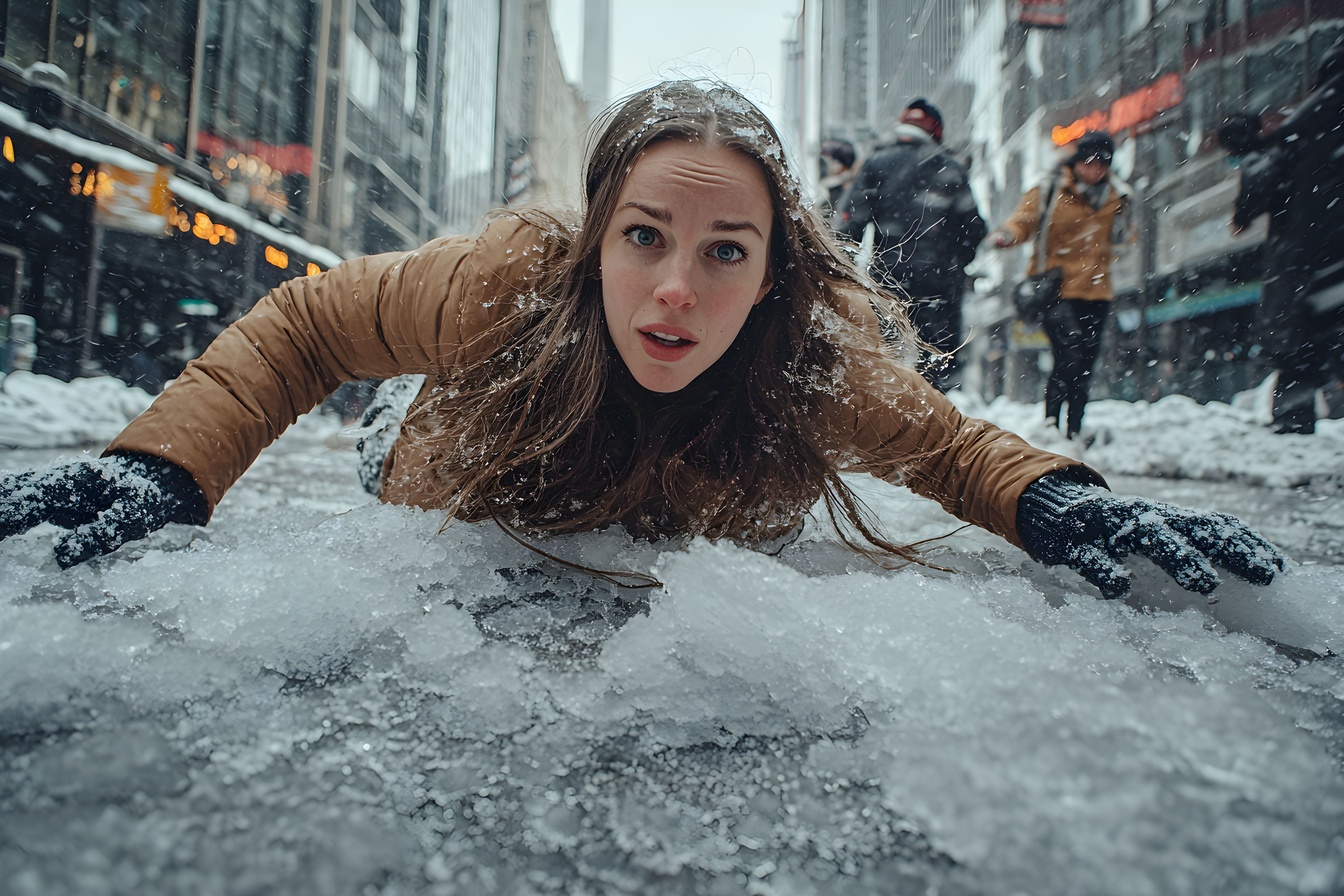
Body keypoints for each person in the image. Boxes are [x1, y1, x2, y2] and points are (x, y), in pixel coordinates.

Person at [0, 82, 1283, 603]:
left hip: (669, 504)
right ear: (597, 232)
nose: (675, 289)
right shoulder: (510, 283)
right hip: (458, 452)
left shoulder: (805, 356)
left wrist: (1063, 504)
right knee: (392, 422)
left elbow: (950, 446)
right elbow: (307, 323)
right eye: (644, 237)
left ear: (774, 268)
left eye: (725, 250)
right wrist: (162, 468)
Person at [1221, 38, 1344, 435]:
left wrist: (1244, 208)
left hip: (1309, 256)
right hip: (1320, 252)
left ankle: (1294, 421)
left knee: (1300, 347)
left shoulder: (1306, 123)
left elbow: (1261, 183)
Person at [989, 131, 1134, 439]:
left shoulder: (1118, 196)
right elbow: (1023, 222)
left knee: (1085, 365)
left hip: (1096, 291)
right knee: (1067, 358)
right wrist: (1007, 235)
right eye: (1090, 162)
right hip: (1056, 290)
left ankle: (1074, 432)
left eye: (1103, 164)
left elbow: (1123, 239)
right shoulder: (1051, 189)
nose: (1096, 169)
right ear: (1077, 161)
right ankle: (1051, 426)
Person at [837, 99, 986, 392]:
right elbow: (974, 227)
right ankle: (933, 427)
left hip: (887, 282)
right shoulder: (949, 167)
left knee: (887, 364)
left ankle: (891, 429)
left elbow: (849, 227)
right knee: (936, 368)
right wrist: (958, 263)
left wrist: (847, 272)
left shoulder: (876, 164)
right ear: (937, 130)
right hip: (939, 286)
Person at [816, 138, 857, 219]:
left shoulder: (845, 197)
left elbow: (838, 227)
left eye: (827, 160)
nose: (822, 166)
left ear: (840, 165)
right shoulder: (831, 192)